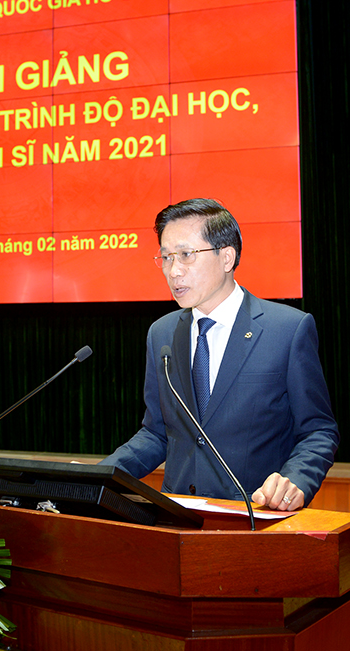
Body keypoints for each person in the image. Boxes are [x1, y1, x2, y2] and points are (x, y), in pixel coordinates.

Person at [100, 199, 338, 511]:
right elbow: (157, 433)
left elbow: (318, 431)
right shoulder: (162, 333)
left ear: (226, 257)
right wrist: (98, 475)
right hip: (177, 518)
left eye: (186, 255)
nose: (174, 270)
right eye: (166, 257)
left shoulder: (287, 329)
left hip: (256, 517)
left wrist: (296, 481)